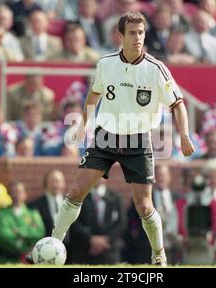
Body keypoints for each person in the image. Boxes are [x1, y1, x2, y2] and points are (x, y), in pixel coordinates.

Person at [28, 12, 196, 266]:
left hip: (138, 140)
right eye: (132, 32)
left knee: (144, 205)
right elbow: (94, 95)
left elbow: (178, 104)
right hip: (105, 137)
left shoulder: (156, 69)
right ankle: (54, 243)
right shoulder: (106, 64)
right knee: (75, 191)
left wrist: (183, 135)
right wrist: (83, 123)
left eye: (141, 32)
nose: (138, 37)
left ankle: (158, 254)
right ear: (121, 35)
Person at [69, 179, 126, 264]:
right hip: (85, 251)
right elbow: (74, 222)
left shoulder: (116, 198)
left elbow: (122, 223)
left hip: (110, 251)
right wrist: (91, 239)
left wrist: (105, 240)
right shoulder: (80, 198)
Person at [0, 181, 45, 264]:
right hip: (6, 259)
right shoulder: (2, 214)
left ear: (25, 194)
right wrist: (26, 235)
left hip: (27, 259)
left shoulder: (33, 214)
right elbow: (2, 234)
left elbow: (39, 232)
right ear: (9, 194)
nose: (16, 195)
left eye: (19, 191)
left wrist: (19, 232)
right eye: (13, 191)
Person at [28, 170, 66, 238]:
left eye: (58, 181)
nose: (55, 185)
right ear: (46, 183)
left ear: (63, 183)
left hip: (69, 246)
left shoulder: (70, 203)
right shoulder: (35, 206)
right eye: (52, 181)